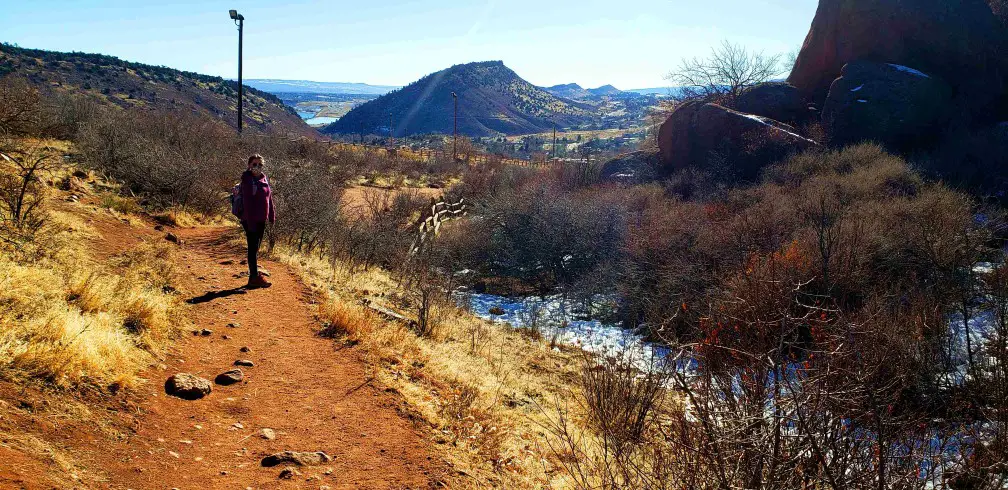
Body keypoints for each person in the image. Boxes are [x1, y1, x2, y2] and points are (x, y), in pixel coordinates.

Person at [239, 154, 275, 289]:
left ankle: (253, 277)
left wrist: (272, 216)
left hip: (261, 219)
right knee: (253, 248)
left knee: (255, 248)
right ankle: (254, 277)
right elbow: (247, 203)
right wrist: (250, 222)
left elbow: (269, 199)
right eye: (254, 164)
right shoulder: (247, 181)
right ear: (249, 165)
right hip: (250, 220)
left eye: (260, 165)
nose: (257, 167)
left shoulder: (263, 179)